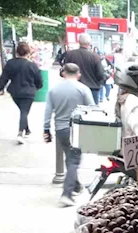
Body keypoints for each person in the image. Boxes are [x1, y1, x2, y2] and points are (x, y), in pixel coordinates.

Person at [43, 63, 95, 207]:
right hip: (77, 129)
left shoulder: (54, 89)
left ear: (63, 73)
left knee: (70, 158)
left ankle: (76, 185)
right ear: (78, 74)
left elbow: (48, 111)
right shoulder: (83, 89)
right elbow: (92, 109)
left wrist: (46, 129)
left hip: (61, 129)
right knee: (73, 161)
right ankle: (67, 194)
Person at [0, 42, 43, 144]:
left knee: (23, 111)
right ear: (28, 52)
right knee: (24, 112)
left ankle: (27, 130)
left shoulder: (10, 63)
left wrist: (0, 88)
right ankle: (20, 133)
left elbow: (4, 77)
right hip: (29, 93)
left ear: (17, 52)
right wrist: (38, 87)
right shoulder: (32, 65)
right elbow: (39, 80)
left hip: (15, 92)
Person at [63, 33, 106, 104]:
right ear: (89, 43)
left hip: (73, 88)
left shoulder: (70, 54)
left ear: (79, 42)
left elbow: (64, 70)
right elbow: (100, 74)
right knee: (91, 112)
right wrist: (99, 83)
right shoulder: (95, 57)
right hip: (92, 89)